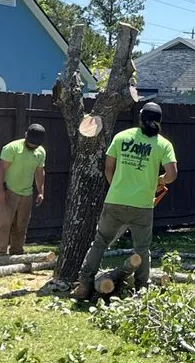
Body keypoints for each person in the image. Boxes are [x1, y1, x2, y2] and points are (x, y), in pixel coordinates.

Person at [71, 103, 177, 298]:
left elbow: (108, 168)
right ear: (160, 121)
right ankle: (142, 288)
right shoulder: (163, 144)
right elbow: (172, 174)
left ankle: (84, 284)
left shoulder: (122, 137)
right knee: (142, 249)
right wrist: (158, 181)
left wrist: (116, 187)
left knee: (100, 243)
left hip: (115, 201)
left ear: (140, 118)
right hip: (143, 205)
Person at [0, 124, 47, 257]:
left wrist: (41, 191)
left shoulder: (40, 152)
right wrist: (0, 189)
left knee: (21, 224)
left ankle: (17, 252)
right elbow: (2, 169)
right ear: (26, 135)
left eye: (36, 144)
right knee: (4, 223)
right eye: (31, 142)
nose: (33, 146)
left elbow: (40, 172)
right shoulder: (12, 148)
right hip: (9, 191)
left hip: (27, 193)